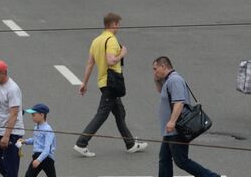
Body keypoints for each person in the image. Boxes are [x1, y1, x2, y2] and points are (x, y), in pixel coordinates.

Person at [74, 13, 147, 157]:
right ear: (113, 24)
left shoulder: (96, 40)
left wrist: (85, 83)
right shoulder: (112, 40)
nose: (118, 26)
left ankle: (130, 144)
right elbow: (111, 61)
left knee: (120, 112)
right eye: (118, 24)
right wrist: (122, 53)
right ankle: (81, 143)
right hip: (111, 83)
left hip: (103, 82)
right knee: (102, 114)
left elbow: (90, 63)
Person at [152, 56, 220, 177]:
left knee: (182, 161)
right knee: (164, 158)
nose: (154, 71)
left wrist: (172, 122)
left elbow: (179, 102)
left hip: (177, 128)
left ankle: (212, 176)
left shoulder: (174, 80)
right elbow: (161, 91)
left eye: (155, 68)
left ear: (163, 66)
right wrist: (156, 79)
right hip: (171, 130)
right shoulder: (168, 80)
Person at [0, 60, 24, 177]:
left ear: (3, 73)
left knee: (11, 167)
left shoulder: (12, 89)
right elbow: (0, 106)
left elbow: (14, 113)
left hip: (12, 133)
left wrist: (6, 136)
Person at [19, 103, 56, 177]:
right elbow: (36, 140)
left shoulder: (47, 129)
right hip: (36, 156)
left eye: (33, 115)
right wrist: (25, 141)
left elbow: (47, 149)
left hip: (47, 158)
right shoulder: (36, 127)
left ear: (42, 115)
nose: (32, 117)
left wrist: (39, 160)